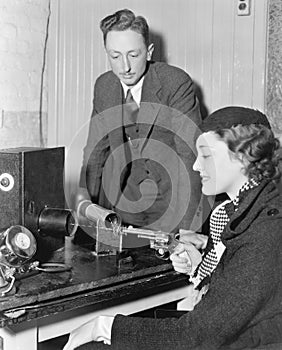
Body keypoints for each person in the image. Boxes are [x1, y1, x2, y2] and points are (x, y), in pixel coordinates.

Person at [64, 106, 282, 350]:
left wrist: (102, 326)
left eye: (206, 155)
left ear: (243, 156)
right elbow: (237, 291)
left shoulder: (267, 229)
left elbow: (194, 336)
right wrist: (202, 264)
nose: (197, 166)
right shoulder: (242, 208)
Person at [76, 8, 202, 240]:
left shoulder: (175, 82)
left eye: (133, 55)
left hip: (171, 202)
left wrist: (188, 227)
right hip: (123, 202)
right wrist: (85, 206)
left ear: (149, 51)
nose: (125, 67)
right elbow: (95, 151)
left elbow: (190, 155)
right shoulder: (104, 87)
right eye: (115, 56)